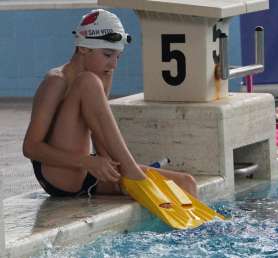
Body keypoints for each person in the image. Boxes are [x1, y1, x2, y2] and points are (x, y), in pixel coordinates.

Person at [22, 9, 197, 199]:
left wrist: (114, 172)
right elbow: (31, 148)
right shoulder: (56, 81)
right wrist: (88, 162)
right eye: (107, 55)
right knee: (88, 82)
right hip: (60, 174)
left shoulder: (103, 74)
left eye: (117, 57)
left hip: (88, 171)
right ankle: (133, 174)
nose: (114, 64)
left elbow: (100, 129)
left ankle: (131, 175)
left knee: (186, 183)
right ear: (83, 48)